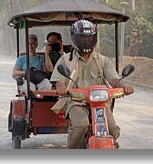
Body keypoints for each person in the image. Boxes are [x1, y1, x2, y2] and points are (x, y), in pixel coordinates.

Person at [50, 20, 134, 149]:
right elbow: (59, 81)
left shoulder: (102, 60)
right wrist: (61, 88)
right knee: (81, 125)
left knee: (112, 129)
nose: (86, 41)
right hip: (75, 102)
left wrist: (123, 87)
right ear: (74, 38)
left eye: (89, 38)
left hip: (99, 102)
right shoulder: (65, 59)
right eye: (82, 38)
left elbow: (114, 80)